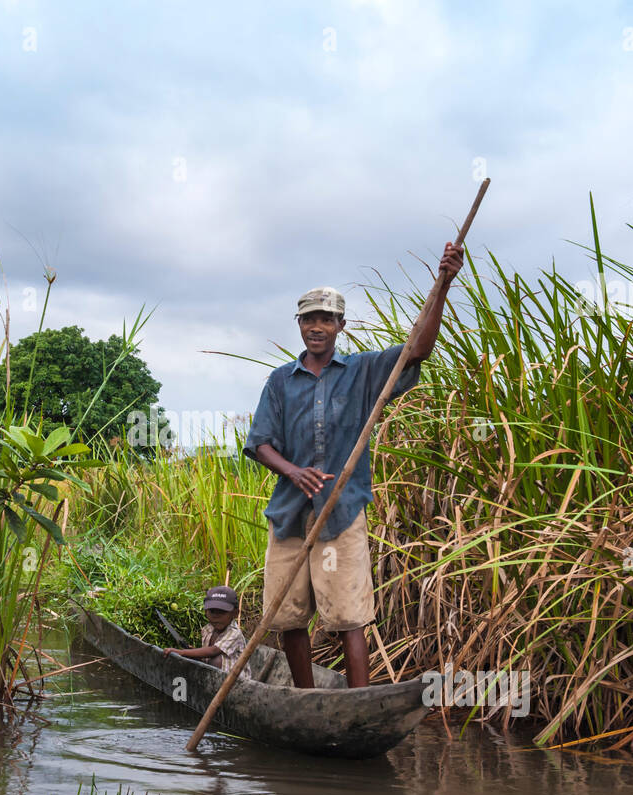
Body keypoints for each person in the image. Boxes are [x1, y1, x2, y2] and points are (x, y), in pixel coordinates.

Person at [241, 243, 464, 688]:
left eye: (327, 319)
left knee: (348, 615)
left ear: (341, 326)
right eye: (309, 319)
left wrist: (442, 284)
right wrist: (293, 471)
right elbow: (260, 443)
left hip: (340, 514)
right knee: (287, 617)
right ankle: (306, 701)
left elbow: (417, 349)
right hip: (289, 515)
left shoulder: (363, 370)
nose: (317, 327)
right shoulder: (280, 381)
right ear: (300, 326)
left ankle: (359, 703)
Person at [163, 585, 252, 681]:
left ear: (235, 613)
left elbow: (213, 651)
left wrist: (182, 652)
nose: (216, 616)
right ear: (205, 612)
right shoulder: (208, 629)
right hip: (213, 676)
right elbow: (206, 656)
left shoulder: (234, 633)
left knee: (216, 660)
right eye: (212, 611)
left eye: (222, 612)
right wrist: (192, 652)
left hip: (235, 682)